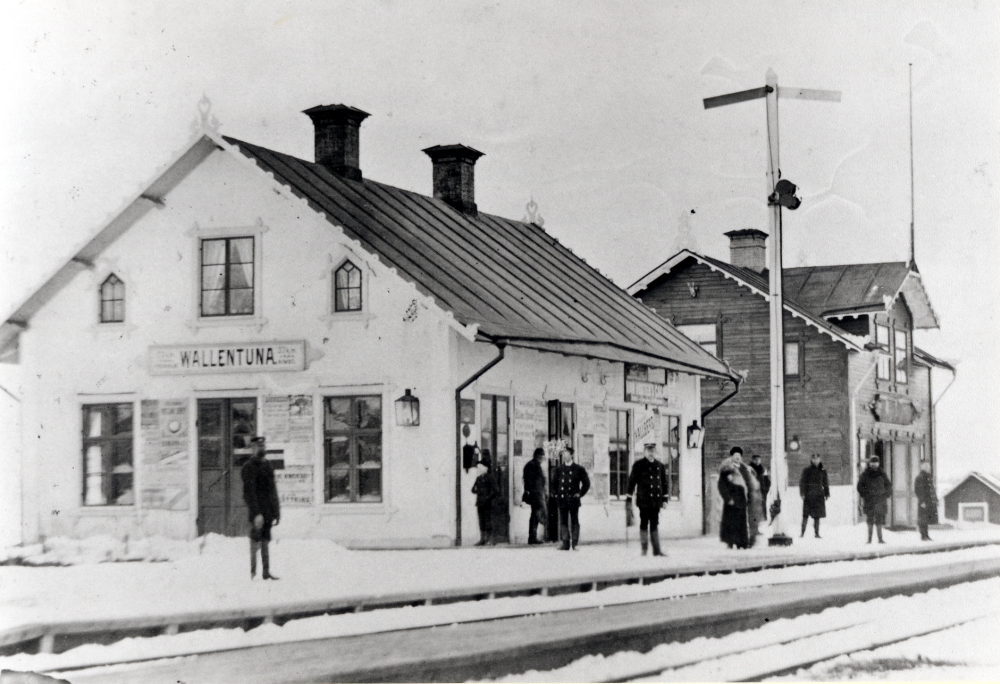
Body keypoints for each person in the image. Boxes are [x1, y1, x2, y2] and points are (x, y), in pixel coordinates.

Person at [242, 436, 280, 580]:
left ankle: (266, 572)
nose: (261, 448)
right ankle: (253, 572)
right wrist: (257, 513)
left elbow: (273, 490)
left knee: (265, 540)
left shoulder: (268, 465)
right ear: (252, 449)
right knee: (255, 540)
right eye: (258, 446)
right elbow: (248, 493)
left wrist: (277, 512)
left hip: (268, 511)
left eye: (263, 446)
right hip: (257, 511)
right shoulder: (249, 467)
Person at [626, 442, 669, 556]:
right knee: (644, 523)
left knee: (655, 524)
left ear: (655, 452)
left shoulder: (660, 466)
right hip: (644, 501)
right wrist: (629, 498)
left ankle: (656, 550)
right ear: (644, 451)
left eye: (652, 450)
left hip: (656, 501)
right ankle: (644, 549)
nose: (651, 453)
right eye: (648, 450)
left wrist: (665, 500)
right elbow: (632, 482)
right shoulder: (638, 465)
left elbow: (664, 484)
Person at [550, 446, 590, 550]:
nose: (565, 456)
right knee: (563, 522)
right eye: (563, 454)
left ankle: (575, 544)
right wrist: (555, 493)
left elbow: (586, 483)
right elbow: (553, 483)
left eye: (567, 454)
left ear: (571, 455)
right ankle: (565, 543)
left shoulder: (578, 469)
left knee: (574, 521)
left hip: (573, 500)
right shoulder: (559, 469)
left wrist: (580, 494)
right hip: (562, 500)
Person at [718, 446, 752, 549]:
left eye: (739, 455)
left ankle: (742, 542)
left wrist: (749, 496)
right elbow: (721, 485)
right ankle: (730, 541)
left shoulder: (744, 469)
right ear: (732, 457)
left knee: (741, 522)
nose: (737, 457)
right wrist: (728, 498)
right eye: (735, 455)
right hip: (732, 499)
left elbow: (749, 483)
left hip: (741, 498)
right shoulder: (726, 469)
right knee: (731, 522)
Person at [857, 456, 892, 544]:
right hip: (869, 500)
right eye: (872, 463)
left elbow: (888, 485)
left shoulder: (882, 473)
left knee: (879, 519)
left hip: (880, 500)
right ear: (870, 464)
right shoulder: (865, 474)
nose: (874, 465)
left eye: (876, 463)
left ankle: (880, 539)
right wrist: (865, 494)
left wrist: (886, 494)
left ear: (878, 463)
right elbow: (860, 486)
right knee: (870, 519)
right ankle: (869, 539)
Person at [799, 454, 830, 538]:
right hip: (809, 495)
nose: (815, 461)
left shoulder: (822, 471)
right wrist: (802, 493)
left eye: (817, 459)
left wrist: (827, 493)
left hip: (819, 496)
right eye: (814, 459)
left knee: (817, 516)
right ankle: (802, 533)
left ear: (819, 459)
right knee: (805, 515)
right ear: (811, 460)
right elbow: (802, 483)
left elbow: (825, 483)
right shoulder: (807, 470)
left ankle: (817, 533)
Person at [522, 447, 548, 544]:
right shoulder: (532, 465)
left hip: (538, 493)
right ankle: (532, 537)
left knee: (535, 515)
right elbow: (530, 482)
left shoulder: (534, 465)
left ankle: (532, 537)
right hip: (536, 494)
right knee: (536, 515)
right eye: (541, 456)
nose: (541, 458)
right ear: (537, 456)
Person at [471, 458, 496, 546]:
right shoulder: (478, 478)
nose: (478, 469)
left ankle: (490, 539)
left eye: (480, 468)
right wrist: (475, 489)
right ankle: (483, 539)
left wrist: (488, 498)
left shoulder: (490, 477)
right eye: (478, 468)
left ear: (485, 468)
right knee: (481, 521)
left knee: (488, 521)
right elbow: (473, 489)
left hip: (488, 503)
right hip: (480, 503)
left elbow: (495, 490)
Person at [914, 460, 938, 541]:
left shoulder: (928, 477)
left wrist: (935, 499)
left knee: (926, 519)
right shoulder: (920, 477)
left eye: (928, 466)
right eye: (925, 466)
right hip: (923, 501)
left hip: (929, 501)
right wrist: (922, 501)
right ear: (921, 466)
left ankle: (926, 535)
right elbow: (918, 490)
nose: (927, 467)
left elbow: (932, 489)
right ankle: (923, 535)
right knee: (922, 519)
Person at [749, 453, 771, 521]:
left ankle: (764, 518)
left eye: (758, 459)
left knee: (763, 505)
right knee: (753, 506)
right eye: (755, 459)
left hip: (762, 490)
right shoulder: (750, 469)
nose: (757, 461)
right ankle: (753, 520)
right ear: (752, 460)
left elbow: (767, 480)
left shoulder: (762, 469)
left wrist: (766, 489)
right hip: (753, 490)